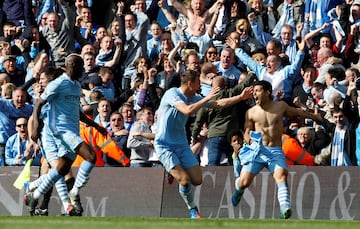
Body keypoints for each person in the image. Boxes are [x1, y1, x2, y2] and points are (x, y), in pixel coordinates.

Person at [154, 69, 253, 218]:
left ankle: (174, 171)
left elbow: (219, 104)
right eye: (198, 83)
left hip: (181, 144)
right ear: (190, 83)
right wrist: (205, 99)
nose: (200, 86)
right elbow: (187, 110)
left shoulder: (193, 97)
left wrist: (240, 97)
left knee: (197, 180)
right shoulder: (172, 93)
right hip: (164, 145)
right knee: (185, 181)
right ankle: (192, 209)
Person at [24, 54, 107, 216]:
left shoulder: (75, 85)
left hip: (72, 129)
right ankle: (74, 194)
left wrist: (96, 125)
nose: (83, 70)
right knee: (90, 156)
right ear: (72, 66)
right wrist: (34, 129)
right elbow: (39, 104)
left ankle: (35, 194)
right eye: (81, 66)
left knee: (61, 169)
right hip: (60, 130)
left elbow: (78, 112)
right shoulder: (58, 84)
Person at [231, 80, 322, 219]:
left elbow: (297, 112)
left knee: (281, 176)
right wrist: (249, 140)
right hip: (258, 150)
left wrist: (314, 116)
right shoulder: (251, 112)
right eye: (254, 91)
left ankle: (285, 208)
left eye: (257, 91)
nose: (254, 94)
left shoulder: (280, 106)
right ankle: (238, 188)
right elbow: (247, 131)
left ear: (267, 92)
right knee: (244, 182)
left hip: (275, 151)